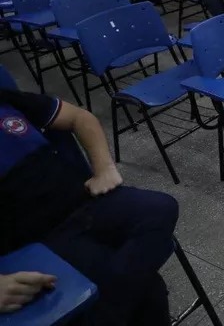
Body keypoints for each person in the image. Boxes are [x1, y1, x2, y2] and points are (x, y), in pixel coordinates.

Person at [0, 87, 178, 325]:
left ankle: (100, 316)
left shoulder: (7, 98)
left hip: (86, 202)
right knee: (150, 291)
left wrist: (104, 168)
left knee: (161, 208)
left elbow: (79, 117)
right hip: (43, 236)